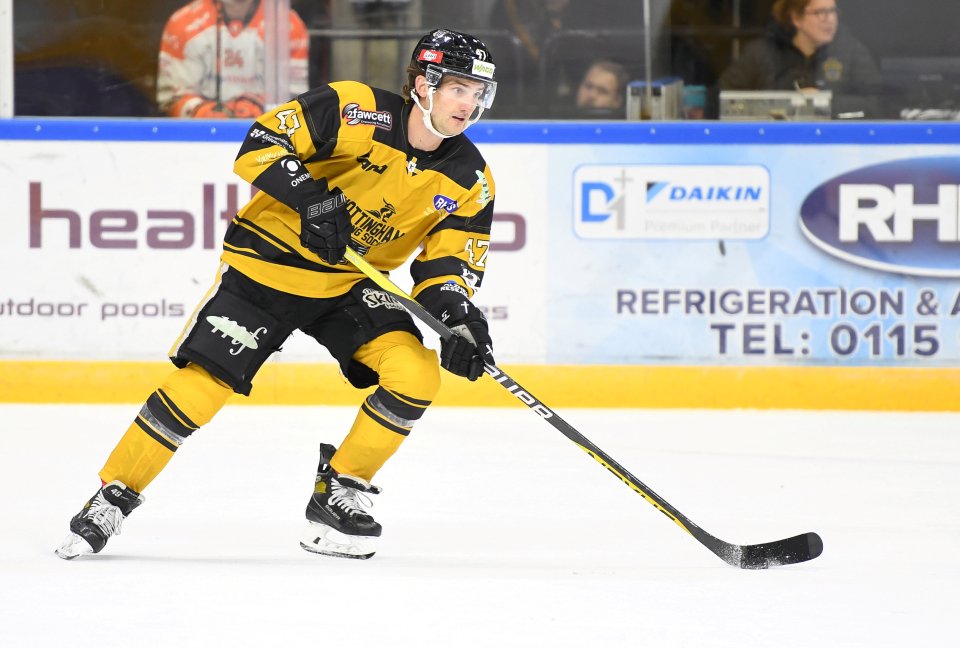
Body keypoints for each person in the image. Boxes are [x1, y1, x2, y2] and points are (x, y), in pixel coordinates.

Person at [56, 28, 499, 561]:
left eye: (478, 93)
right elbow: (258, 145)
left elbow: (447, 264)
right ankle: (114, 495)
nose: (469, 104)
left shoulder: (471, 177)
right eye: (459, 89)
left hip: (346, 285)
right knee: (204, 385)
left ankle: (339, 489)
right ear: (423, 85)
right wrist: (312, 200)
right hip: (268, 267)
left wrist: (459, 318)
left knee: (417, 373)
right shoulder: (354, 108)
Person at [717, 0, 882, 118]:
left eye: (832, 11)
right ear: (796, 18)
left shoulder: (851, 52)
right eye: (820, 13)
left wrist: (823, 103)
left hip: (837, 147)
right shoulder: (762, 53)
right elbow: (721, 100)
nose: (830, 20)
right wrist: (778, 106)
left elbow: (878, 104)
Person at [157, 0, 310, 118]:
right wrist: (200, 111)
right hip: (201, 140)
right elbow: (171, 100)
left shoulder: (289, 26)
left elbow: (296, 102)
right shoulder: (182, 24)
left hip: (266, 138)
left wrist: (259, 108)